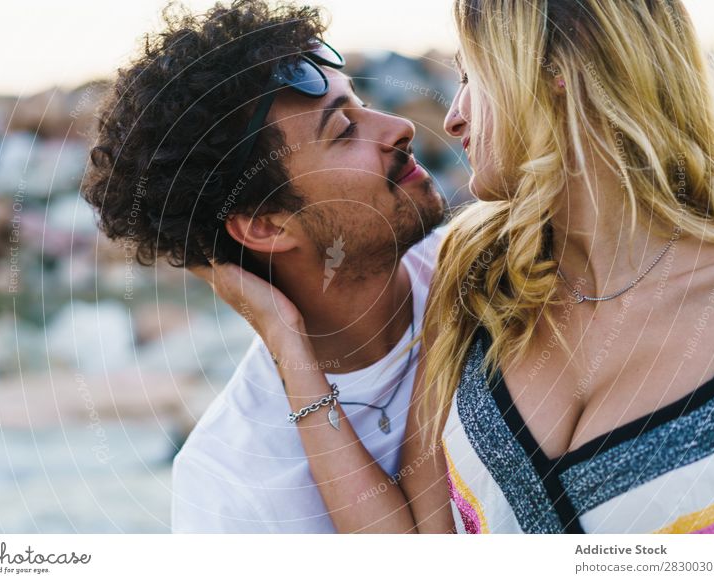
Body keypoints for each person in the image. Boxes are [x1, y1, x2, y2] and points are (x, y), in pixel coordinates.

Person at [202, 0, 714, 533]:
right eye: (343, 130)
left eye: (472, 77)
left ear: (558, 74)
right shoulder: (476, 269)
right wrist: (284, 338)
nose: (452, 116)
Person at [80, 0, 447, 533]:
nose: (399, 126)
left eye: (361, 103)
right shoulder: (231, 485)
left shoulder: (498, 272)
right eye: (343, 131)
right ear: (267, 226)